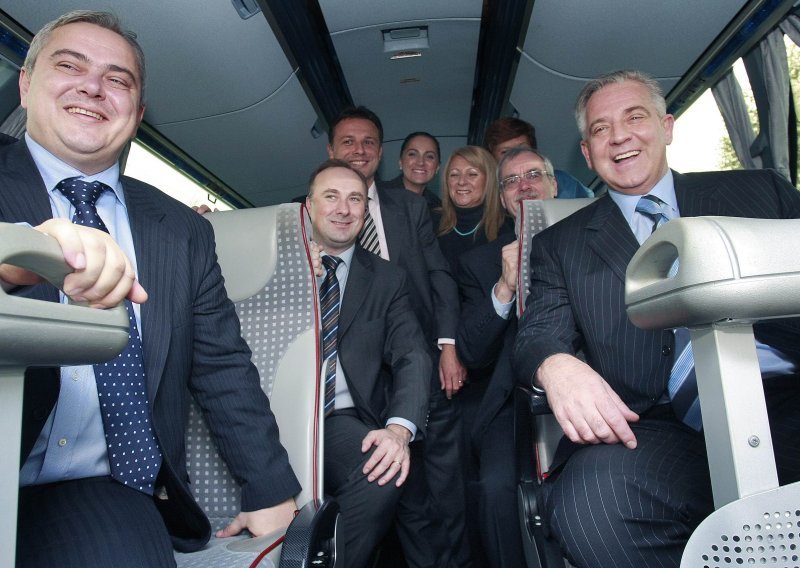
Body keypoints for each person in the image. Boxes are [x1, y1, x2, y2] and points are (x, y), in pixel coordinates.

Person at [1, 11, 299, 567]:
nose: (93, 87)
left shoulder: (182, 229)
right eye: (70, 66)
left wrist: (271, 491)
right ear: (26, 84)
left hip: (94, 488)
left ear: (137, 114)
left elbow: (222, 367)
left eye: (117, 80)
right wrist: (17, 253)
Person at [512, 69, 800, 568]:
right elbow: (538, 331)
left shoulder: (759, 193)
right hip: (659, 424)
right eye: (601, 129)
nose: (619, 136)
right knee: (591, 509)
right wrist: (556, 365)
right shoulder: (561, 244)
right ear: (587, 154)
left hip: (784, 391)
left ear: (666, 127)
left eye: (634, 117)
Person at [327, 106, 467, 565]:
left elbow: (439, 277)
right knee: (380, 479)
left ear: (380, 153)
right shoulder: (304, 213)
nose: (359, 150)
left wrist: (447, 345)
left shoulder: (409, 207)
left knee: (425, 490)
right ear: (331, 150)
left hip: (413, 356)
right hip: (352, 374)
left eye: (368, 142)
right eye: (348, 142)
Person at [305, 159, 430, 567]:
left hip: (339, 418)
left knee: (382, 468)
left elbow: (412, 354)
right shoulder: (276, 263)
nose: (344, 209)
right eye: (332, 197)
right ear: (309, 206)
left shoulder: (388, 279)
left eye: (355, 199)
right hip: (270, 414)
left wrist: (398, 430)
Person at [456, 146, 558, 567]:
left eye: (533, 175)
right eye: (512, 181)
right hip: (512, 403)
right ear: (502, 198)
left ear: (553, 184)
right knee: (495, 488)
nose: (524, 186)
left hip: (596, 389)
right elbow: (471, 352)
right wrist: (503, 288)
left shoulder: (593, 237)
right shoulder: (479, 263)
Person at [434, 145, 512, 277]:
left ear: (489, 180)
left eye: (472, 174)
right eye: (454, 174)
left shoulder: (507, 229)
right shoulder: (431, 222)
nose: (461, 181)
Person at [485, 116, 594, 199]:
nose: (516, 155)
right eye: (506, 152)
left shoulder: (564, 183)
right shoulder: (484, 193)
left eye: (522, 148)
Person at [381, 131, 442, 210]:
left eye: (429, 156)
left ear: (437, 167)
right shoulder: (379, 195)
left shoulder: (438, 208)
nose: (421, 162)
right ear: (400, 161)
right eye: (412, 154)